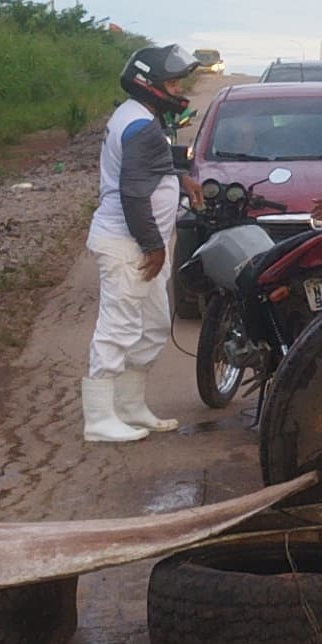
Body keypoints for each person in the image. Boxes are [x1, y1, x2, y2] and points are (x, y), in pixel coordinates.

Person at [81, 43, 198, 444]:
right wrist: (154, 245)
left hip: (139, 243)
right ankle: (98, 418)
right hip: (128, 243)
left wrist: (180, 178)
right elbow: (133, 193)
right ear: (149, 84)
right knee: (118, 327)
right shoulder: (142, 126)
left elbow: (150, 170)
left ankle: (129, 406)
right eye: (171, 81)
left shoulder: (137, 117)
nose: (178, 88)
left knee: (152, 326)